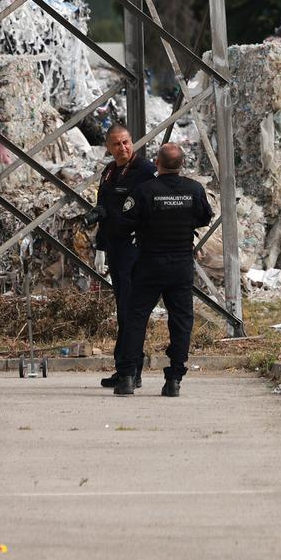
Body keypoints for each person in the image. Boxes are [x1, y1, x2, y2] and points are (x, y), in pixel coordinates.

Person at [114, 142, 212, 397]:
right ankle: (174, 380)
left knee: (136, 319)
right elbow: (204, 217)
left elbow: (125, 221)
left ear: (157, 163)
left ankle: (126, 377)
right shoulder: (194, 189)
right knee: (181, 321)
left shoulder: (145, 190)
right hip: (180, 265)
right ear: (181, 165)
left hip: (149, 264)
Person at [94, 124, 157, 390]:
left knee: (131, 311)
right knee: (123, 310)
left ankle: (132, 370)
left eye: (127, 142)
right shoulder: (109, 172)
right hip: (116, 248)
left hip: (135, 249)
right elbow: (102, 207)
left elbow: (151, 206)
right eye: (117, 144)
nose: (123, 148)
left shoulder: (144, 170)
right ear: (108, 147)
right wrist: (100, 245)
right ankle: (124, 368)